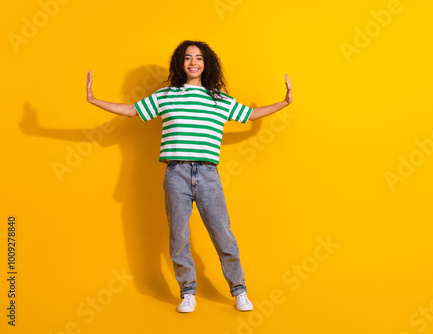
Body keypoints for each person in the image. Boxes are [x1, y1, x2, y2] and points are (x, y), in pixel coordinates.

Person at [86, 40, 293, 313]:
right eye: (187, 58)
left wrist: (285, 102)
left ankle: (239, 291)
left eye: (198, 58)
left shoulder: (217, 99)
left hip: (207, 174)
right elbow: (131, 110)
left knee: (223, 235)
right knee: (179, 235)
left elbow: (251, 115)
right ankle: (188, 293)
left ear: (206, 63)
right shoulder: (168, 95)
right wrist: (93, 99)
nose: (193, 62)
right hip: (176, 172)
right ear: (180, 64)